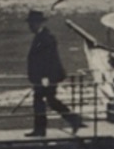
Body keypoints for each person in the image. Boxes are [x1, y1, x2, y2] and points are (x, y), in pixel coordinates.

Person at [25, 9, 83, 137]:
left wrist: (45, 77)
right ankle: (73, 119)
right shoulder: (42, 37)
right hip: (43, 77)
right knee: (50, 100)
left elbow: (49, 59)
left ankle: (41, 130)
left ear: (38, 23)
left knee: (41, 101)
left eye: (32, 23)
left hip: (47, 77)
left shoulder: (46, 38)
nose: (30, 26)